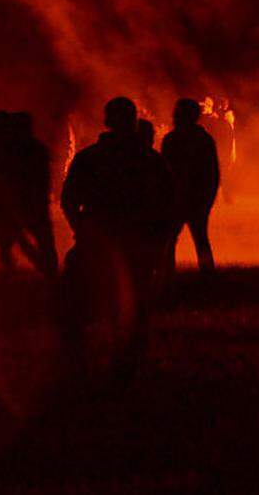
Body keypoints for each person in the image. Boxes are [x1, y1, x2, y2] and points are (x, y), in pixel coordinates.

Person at [60, 97, 175, 382]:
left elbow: (69, 199)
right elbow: (168, 201)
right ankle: (127, 362)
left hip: (99, 241)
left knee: (87, 301)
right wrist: (158, 238)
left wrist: (82, 228)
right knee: (133, 303)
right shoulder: (150, 160)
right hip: (135, 242)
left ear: (107, 122)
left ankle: (86, 361)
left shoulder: (91, 158)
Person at [0, 112, 57, 276]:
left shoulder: (6, 151)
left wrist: (4, 201)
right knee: (36, 240)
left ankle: (47, 269)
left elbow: (3, 181)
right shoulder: (35, 150)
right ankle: (48, 270)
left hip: (17, 205)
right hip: (28, 205)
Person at [162, 99, 219, 276]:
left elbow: (165, 170)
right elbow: (212, 173)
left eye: (176, 112)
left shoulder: (172, 139)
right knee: (200, 238)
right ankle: (207, 274)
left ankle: (167, 275)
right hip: (196, 197)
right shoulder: (204, 139)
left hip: (179, 197)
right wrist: (208, 197)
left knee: (170, 238)